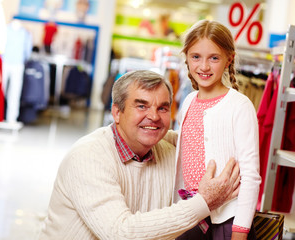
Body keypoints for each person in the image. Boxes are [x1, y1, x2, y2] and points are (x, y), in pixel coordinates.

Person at [37, 70, 240, 239]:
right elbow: (119, 233)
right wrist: (204, 202)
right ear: (116, 112)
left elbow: (192, 141)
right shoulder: (88, 156)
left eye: (162, 108)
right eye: (141, 106)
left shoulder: (168, 152)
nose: (153, 116)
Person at [174, 20, 261, 240]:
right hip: (191, 214)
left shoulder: (239, 106)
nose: (204, 66)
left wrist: (240, 232)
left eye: (214, 58)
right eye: (196, 57)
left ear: (228, 59)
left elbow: (251, 176)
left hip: (227, 222)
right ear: (186, 57)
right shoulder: (188, 101)